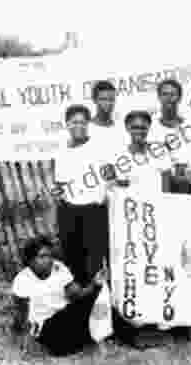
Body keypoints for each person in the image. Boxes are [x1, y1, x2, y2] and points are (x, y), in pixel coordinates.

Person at [11, 236, 106, 356]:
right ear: (30, 260)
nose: (49, 260)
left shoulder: (59, 268)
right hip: (47, 330)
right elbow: (21, 316)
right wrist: (24, 342)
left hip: (67, 320)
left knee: (99, 304)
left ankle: (130, 334)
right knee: (75, 318)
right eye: (42, 256)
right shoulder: (22, 280)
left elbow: (78, 296)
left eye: (50, 255)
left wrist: (95, 284)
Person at [53, 104, 114, 287]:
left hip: (94, 211)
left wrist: (105, 196)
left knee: (94, 259)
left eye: (82, 122)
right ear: (67, 124)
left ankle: (97, 299)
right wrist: (58, 193)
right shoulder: (61, 150)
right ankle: (78, 300)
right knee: (72, 258)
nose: (78, 126)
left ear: (88, 124)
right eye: (73, 122)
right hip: (69, 210)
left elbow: (110, 176)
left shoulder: (99, 148)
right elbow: (60, 183)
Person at [150, 79, 191, 194]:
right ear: (159, 97)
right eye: (164, 94)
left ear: (179, 98)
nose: (168, 98)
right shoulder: (151, 127)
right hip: (159, 185)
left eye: (172, 94)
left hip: (188, 185)